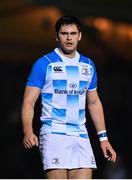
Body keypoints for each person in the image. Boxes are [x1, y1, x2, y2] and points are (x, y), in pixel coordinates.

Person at [21, 15, 116, 179]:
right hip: (53, 134)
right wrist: (28, 131)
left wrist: (104, 139)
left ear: (80, 35)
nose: (69, 38)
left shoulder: (88, 65)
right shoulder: (44, 64)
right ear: (57, 36)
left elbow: (93, 103)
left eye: (73, 33)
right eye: (64, 33)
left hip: (80, 135)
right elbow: (28, 102)